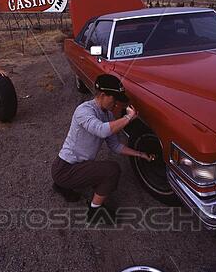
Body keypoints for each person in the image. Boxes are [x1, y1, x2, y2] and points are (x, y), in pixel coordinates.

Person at [51, 74, 155, 221]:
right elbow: (101, 130)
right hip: (64, 169)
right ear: (103, 95)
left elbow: (115, 145)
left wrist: (140, 154)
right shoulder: (84, 111)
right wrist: (127, 118)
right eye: (114, 98)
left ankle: (64, 185)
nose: (117, 103)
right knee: (112, 170)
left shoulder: (107, 115)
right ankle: (95, 211)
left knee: (102, 172)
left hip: (78, 166)